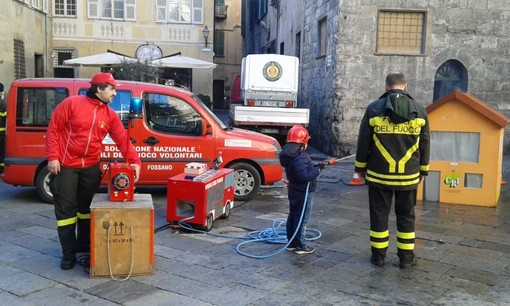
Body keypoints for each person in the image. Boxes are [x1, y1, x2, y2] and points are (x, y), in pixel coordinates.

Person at [46, 72, 142, 270]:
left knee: (87, 211)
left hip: (90, 167)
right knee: (66, 212)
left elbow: (123, 140)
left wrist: (135, 161)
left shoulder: (109, 114)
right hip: (66, 167)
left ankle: (84, 248)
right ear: (99, 89)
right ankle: (68, 254)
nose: (115, 93)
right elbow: (54, 130)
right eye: (112, 88)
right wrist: (53, 157)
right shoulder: (71, 104)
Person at [354, 72, 430, 269]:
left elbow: (364, 141)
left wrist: (360, 168)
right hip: (408, 176)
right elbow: (425, 144)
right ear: (405, 86)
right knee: (406, 217)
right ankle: (406, 259)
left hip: (379, 175)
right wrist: (423, 171)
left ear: (386, 87)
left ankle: (378, 258)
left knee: (379, 215)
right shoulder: (419, 110)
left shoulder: (373, 109)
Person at [279, 125, 323, 255]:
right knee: (302, 219)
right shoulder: (301, 156)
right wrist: (319, 169)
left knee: (293, 215)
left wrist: (317, 166)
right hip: (304, 191)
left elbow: (301, 171)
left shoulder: (288, 154)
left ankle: (291, 243)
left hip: (294, 190)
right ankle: (300, 245)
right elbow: (305, 176)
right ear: (303, 142)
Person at [0, 83, 6, 175]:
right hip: (1, 132)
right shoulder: (2, 102)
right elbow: (4, 115)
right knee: (1, 151)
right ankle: (1, 169)